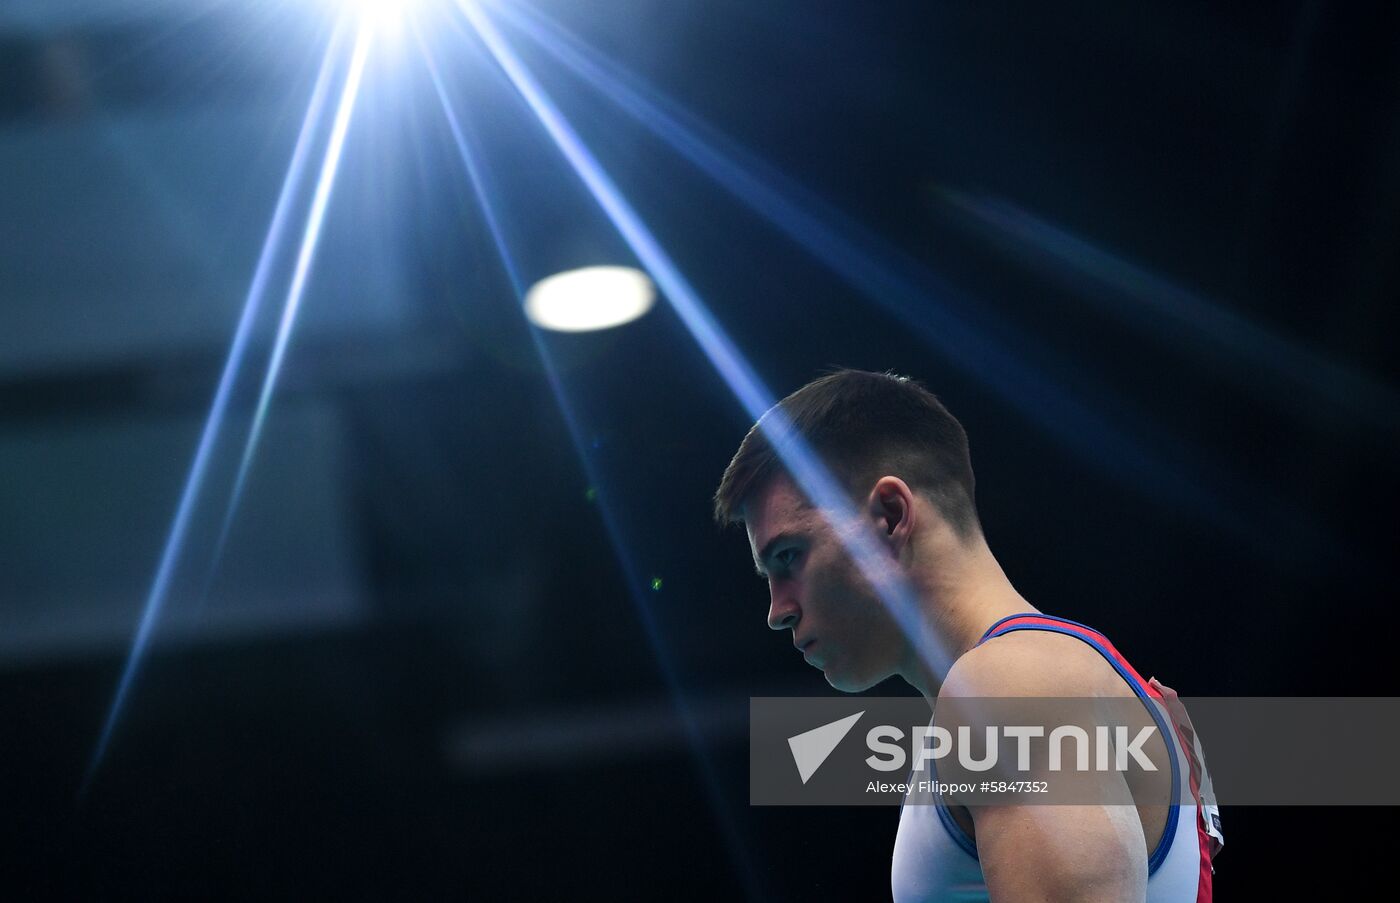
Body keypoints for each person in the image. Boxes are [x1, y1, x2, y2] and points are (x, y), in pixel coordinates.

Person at [713, 369, 1219, 902]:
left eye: (789, 556)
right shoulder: (1046, 681)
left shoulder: (1013, 687)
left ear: (890, 516)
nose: (777, 611)